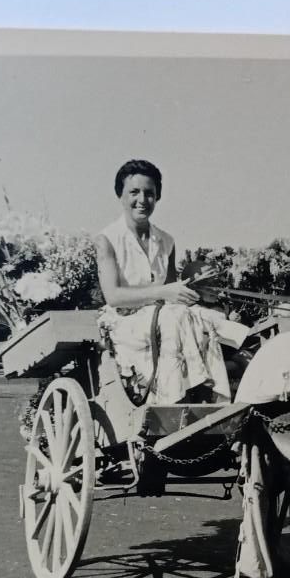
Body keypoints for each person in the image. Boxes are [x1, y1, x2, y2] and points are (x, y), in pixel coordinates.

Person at [94, 160, 231, 404]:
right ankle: (174, 399)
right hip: (125, 322)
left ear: (157, 197)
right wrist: (166, 292)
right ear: (120, 195)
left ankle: (215, 393)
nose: (142, 200)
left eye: (150, 193)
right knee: (175, 316)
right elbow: (113, 296)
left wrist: (192, 291)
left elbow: (170, 294)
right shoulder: (108, 239)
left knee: (207, 316)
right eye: (134, 192)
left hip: (162, 319)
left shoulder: (166, 240)